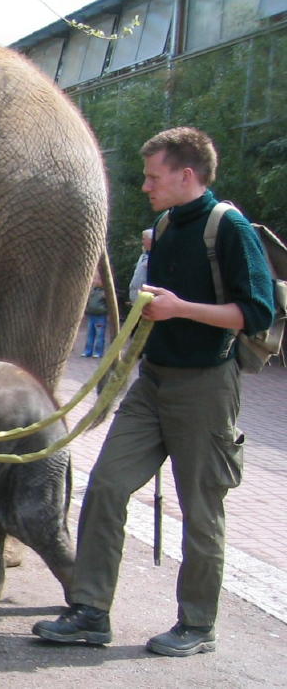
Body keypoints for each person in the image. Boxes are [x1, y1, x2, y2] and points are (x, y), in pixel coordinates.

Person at [32, 127, 275, 657]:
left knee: (201, 510)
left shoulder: (228, 227)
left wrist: (180, 308)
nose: (145, 186)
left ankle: (197, 625)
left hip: (207, 388)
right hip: (153, 383)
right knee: (106, 486)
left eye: (152, 176)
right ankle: (91, 610)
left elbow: (257, 312)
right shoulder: (166, 226)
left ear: (187, 175)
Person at [82, 275, 108, 358]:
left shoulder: (105, 292)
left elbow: (109, 304)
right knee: (90, 334)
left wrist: (106, 311)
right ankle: (88, 351)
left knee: (99, 335)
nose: (96, 281)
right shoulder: (93, 290)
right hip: (91, 315)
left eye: (98, 279)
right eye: (95, 279)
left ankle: (98, 352)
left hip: (100, 316)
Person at [128, 227, 154, 304]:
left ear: (151, 240)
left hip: (146, 299)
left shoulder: (156, 257)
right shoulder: (143, 256)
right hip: (136, 297)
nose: (142, 241)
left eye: (144, 239)